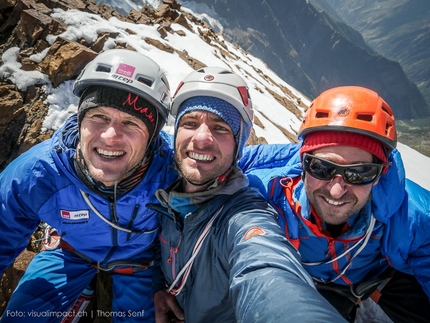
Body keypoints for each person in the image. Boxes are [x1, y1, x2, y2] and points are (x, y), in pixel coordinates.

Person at [150, 67, 347, 323]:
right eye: (189, 123)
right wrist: (159, 288)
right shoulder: (165, 192)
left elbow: (265, 267)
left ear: (238, 147)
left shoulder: (244, 213)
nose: (201, 138)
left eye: (220, 127)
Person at [0, 49, 178, 322]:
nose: (110, 136)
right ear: (81, 120)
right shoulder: (40, 173)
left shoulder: (170, 170)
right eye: (99, 117)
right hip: (72, 251)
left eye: (131, 123)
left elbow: (234, 163)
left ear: (152, 138)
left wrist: (160, 283)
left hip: (138, 263)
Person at [239, 86, 430, 322]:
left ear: (382, 173)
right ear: (303, 163)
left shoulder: (412, 214)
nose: (337, 190)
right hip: (314, 283)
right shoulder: (269, 195)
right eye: (321, 168)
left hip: (375, 278)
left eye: (360, 172)